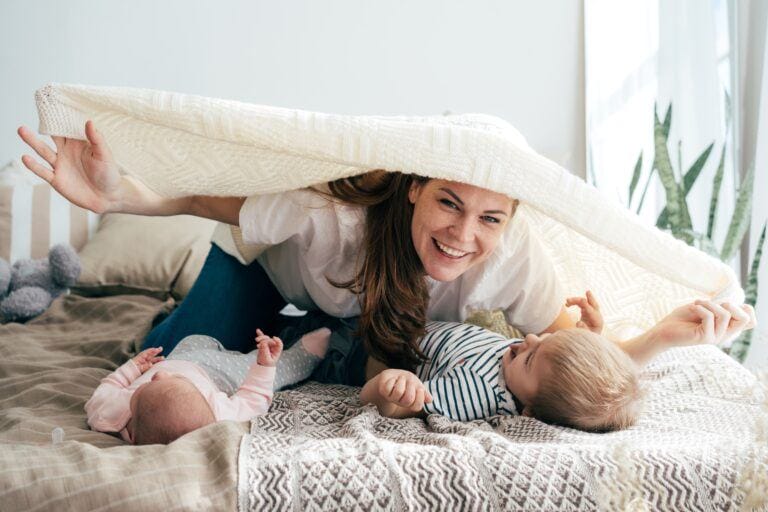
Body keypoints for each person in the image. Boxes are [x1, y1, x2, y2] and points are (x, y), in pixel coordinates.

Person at [16, 121, 757, 385]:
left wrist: (656, 339)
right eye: (448, 203)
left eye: (489, 217)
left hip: (356, 319)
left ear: (511, 220)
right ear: (413, 190)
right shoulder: (331, 216)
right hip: (262, 279)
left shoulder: (513, 258)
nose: (464, 234)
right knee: (164, 364)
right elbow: (206, 200)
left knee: (351, 360)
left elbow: (573, 356)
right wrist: (118, 196)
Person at [360, 296, 756, 431]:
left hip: (373, 347)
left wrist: (390, 388)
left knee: (327, 343)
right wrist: (587, 336)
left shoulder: (480, 393)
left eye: (531, 358)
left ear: (529, 409)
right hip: (414, 322)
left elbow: (404, 407)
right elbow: (589, 379)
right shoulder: (528, 366)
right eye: (548, 339)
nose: (528, 339)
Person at [85, 327, 330, 444]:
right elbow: (253, 398)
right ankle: (305, 353)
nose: (158, 377)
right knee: (276, 369)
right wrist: (264, 366)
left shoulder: (112, 415)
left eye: (147, 384)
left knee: (194, 337)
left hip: (182, 354)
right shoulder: (218, 417)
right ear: (134, 438)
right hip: (221, 373)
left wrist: (131, 369)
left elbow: (104, 391)